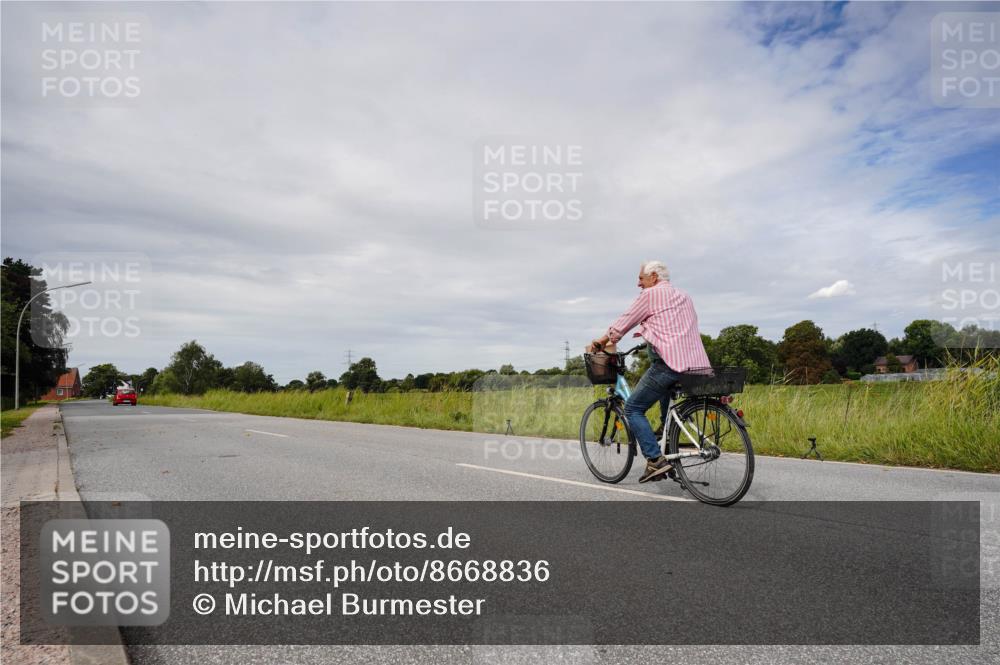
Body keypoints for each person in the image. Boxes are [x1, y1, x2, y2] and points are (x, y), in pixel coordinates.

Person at [587, 261, 711, 483]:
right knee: (662, 389)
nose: (638, 283)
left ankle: (655, 460)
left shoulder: (651, 295)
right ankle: (666, 428)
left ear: (653, 277)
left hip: (671, 364)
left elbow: (623, 322)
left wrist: (600, 341)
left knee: (633, 408)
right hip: (697, 366)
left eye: (641, 278)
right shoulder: (684, 296)